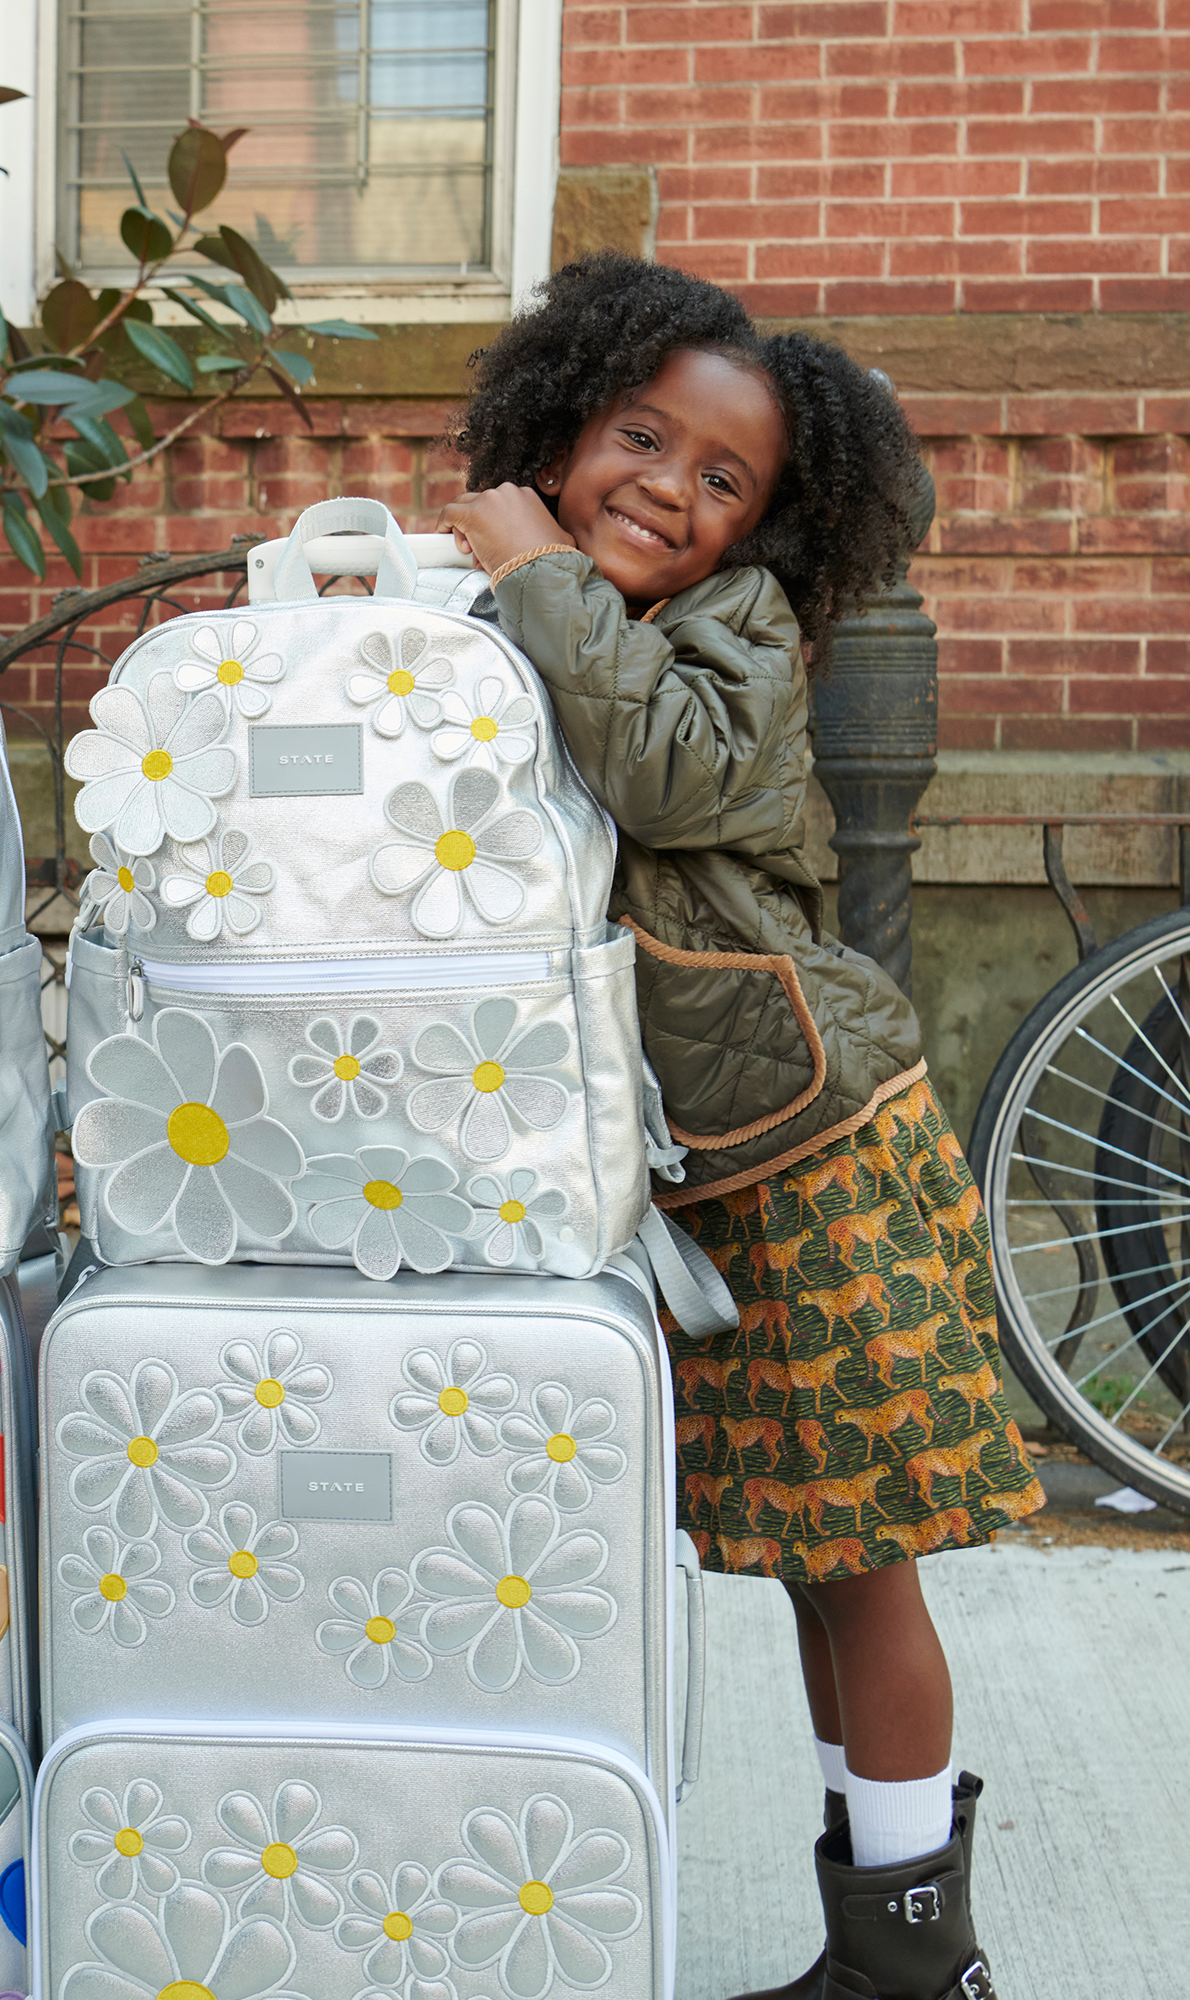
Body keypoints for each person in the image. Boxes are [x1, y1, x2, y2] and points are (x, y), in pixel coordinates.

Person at [441, 252, 1037, 2000]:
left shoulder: (735, 634)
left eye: (725, 484)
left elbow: (674, 773)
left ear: (765, 533)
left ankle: (927, 1965)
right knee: (805, 1568)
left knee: (863, 1575)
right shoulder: (533, 610)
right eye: (643, 437)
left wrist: (541, 567)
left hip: (822, 1158)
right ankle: (884, 1946)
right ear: (560, 424)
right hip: (737, 1169)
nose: (670, 492)